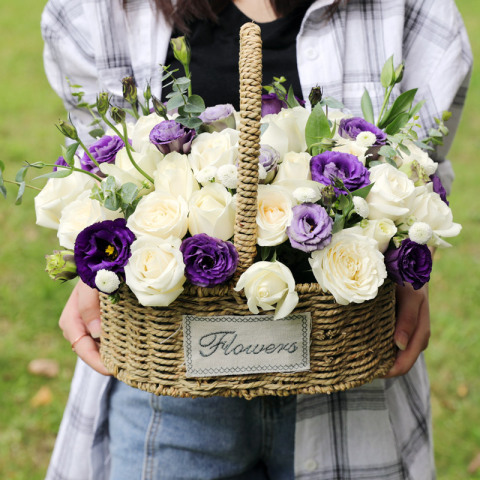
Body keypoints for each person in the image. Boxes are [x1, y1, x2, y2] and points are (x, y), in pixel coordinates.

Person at [41, 0, 472, 479]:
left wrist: (413, 261)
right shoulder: (95, 11)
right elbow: (99, 166)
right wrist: (95, 261)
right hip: (167, 384)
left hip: (348, 370)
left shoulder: (411, 9)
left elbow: (423, 165)